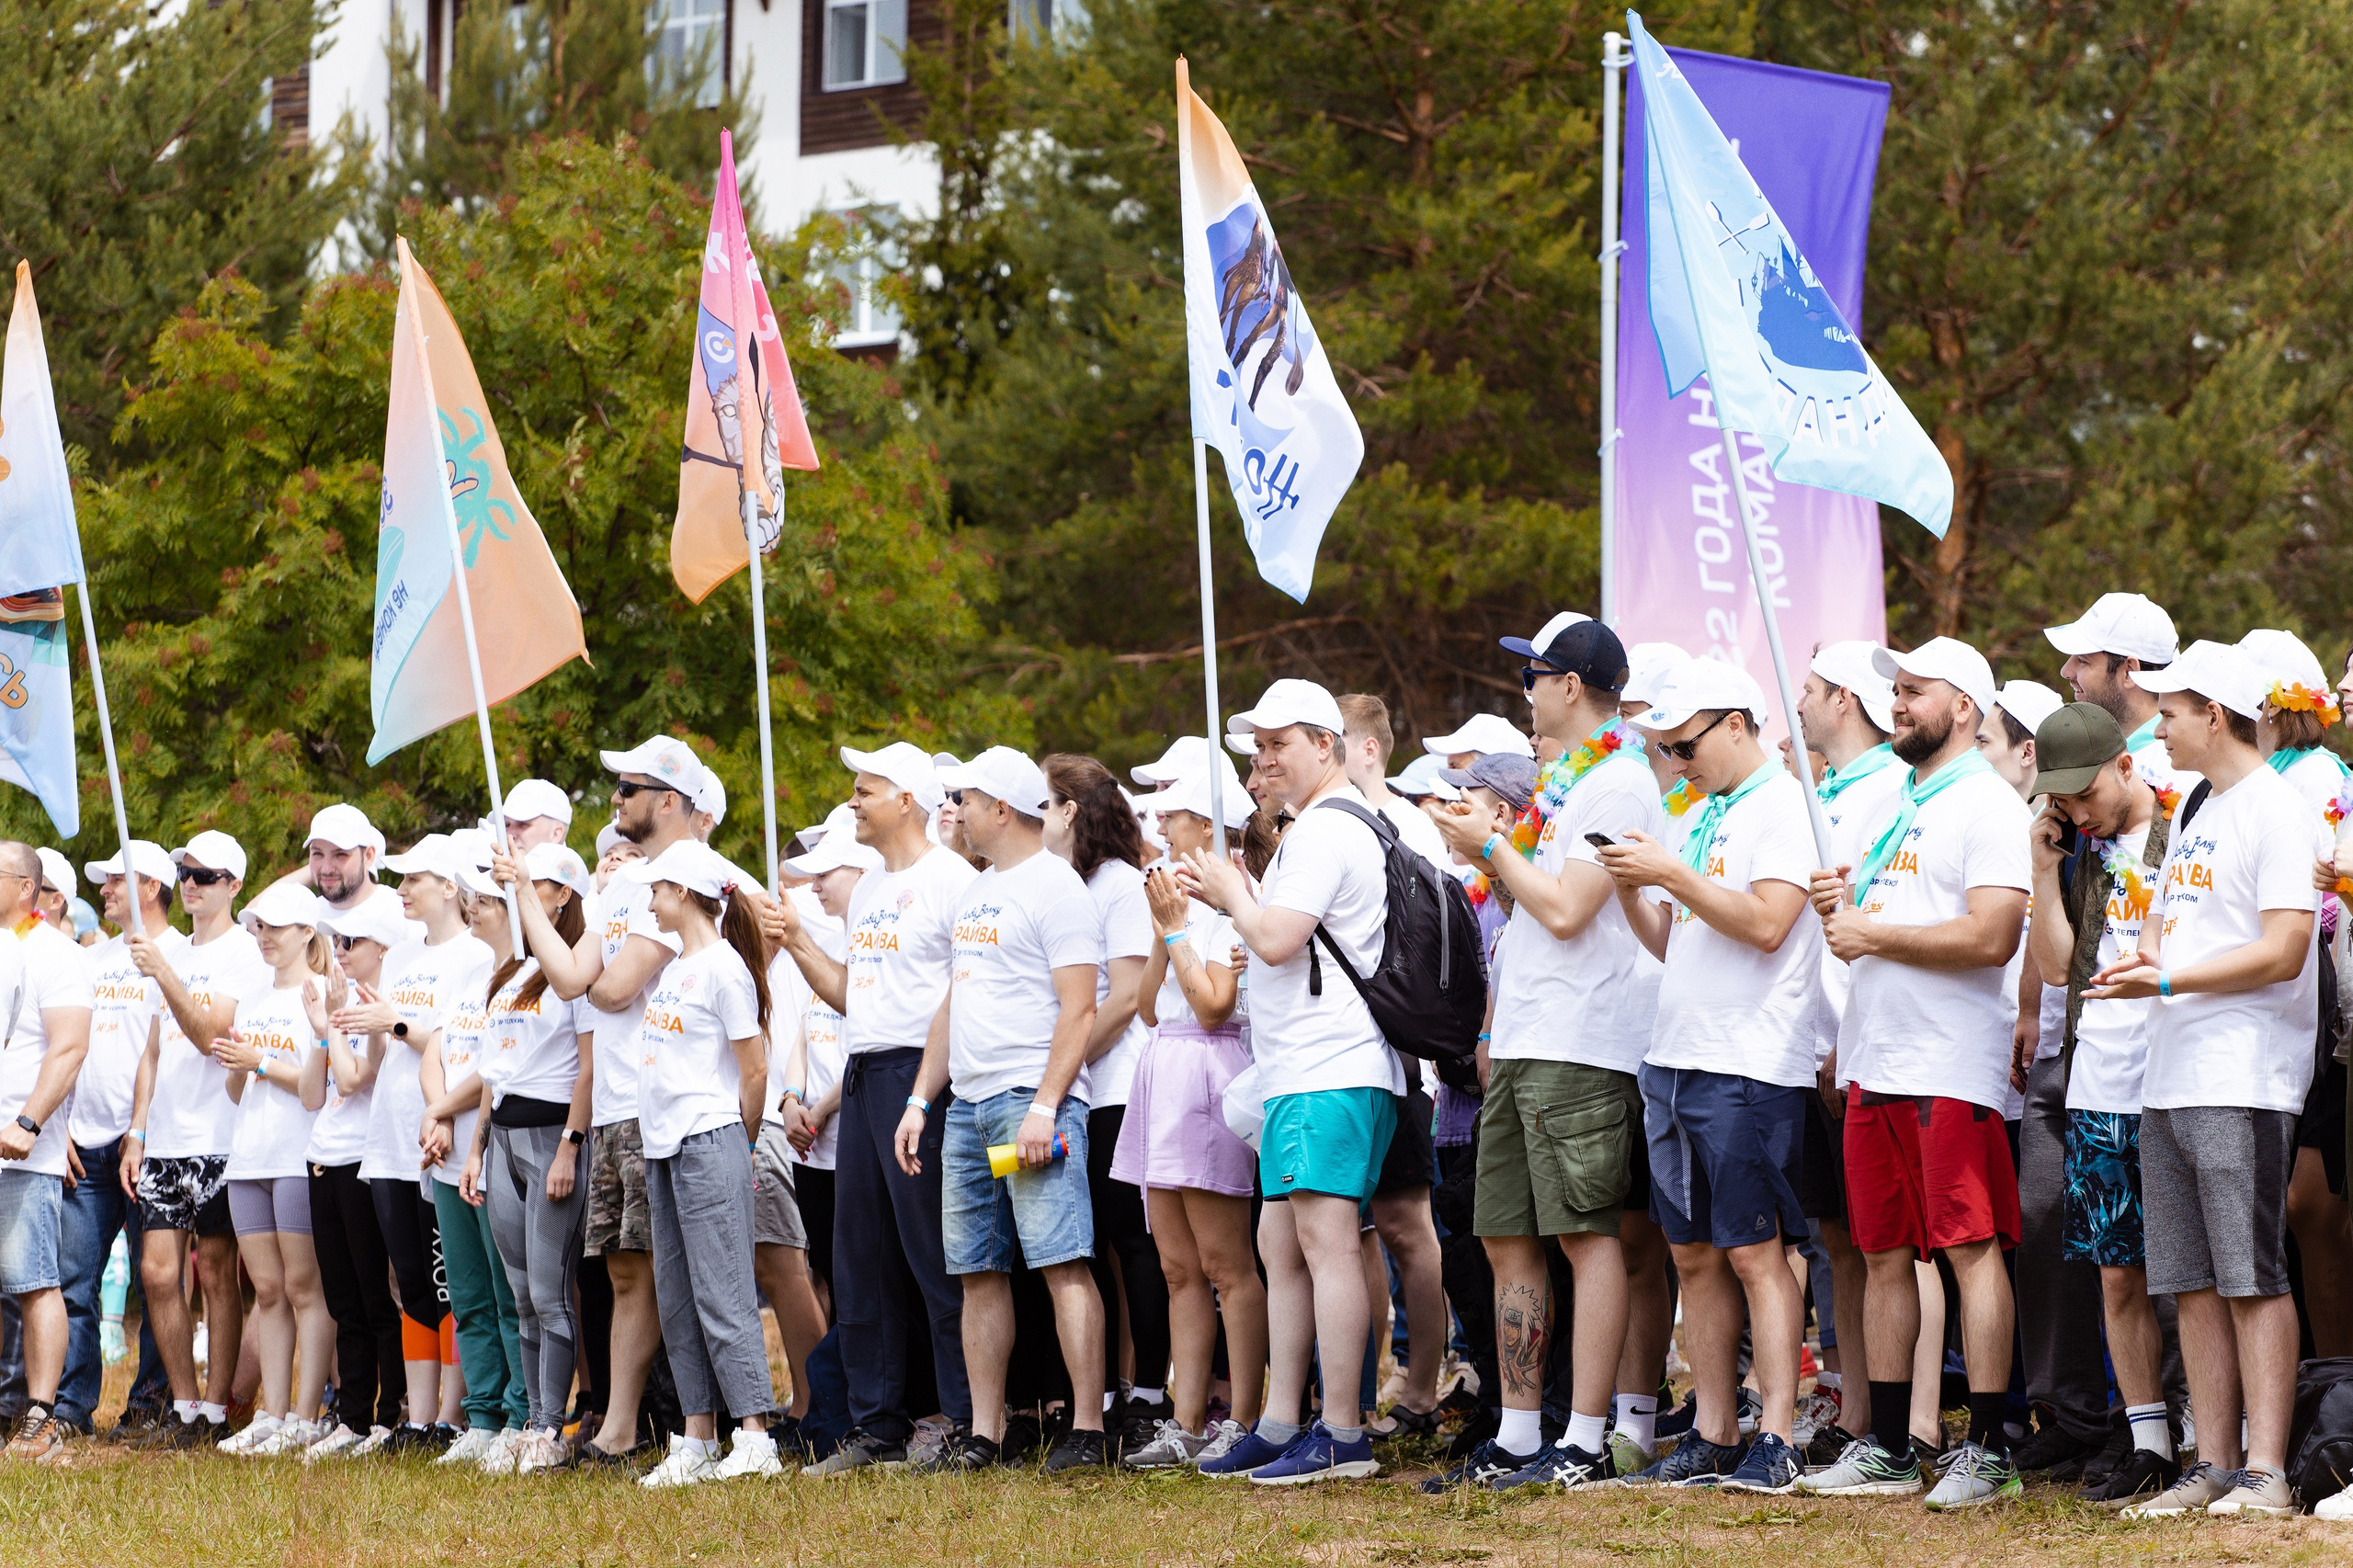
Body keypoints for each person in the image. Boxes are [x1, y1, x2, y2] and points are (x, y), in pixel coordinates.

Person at [1418, 620, 1659, 1490]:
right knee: (1506, 1236)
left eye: (1533, 676)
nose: (1524, 691)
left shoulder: (1622, 782)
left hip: (1584, 1042)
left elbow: (1566, 910)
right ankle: (1522, 1431)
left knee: (1582, 1236)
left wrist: (1485, 848)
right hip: (1527, 1036)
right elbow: (1531, 913)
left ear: (1570, 686)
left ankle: (1583, 1439)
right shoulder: (1566, 782)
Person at [2091, 641, 2327, 1519]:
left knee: (2250, 1277)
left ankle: (2266, 1471)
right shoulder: (2198, 803)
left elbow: (2283, 948)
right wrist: (2144, 958)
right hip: (2171, 1072)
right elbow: (2175, 925)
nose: (2160, 725)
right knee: (2189, 1279)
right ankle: (2214, 1464)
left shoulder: (2277, 808)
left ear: (2214, 716)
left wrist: (2166, 977)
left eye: (2172, 712)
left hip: (2243, 1075)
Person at [1800, 638, 2031, 1510]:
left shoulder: (1987, 805)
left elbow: (1991, 936)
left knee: (1970, 1251)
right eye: (1893, 691)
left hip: (1949, 1066)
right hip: (1879, 1058)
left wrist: (1872, 934)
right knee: (1883, 1251)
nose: (1895, 704)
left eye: (1913, 692)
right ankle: (1890, 1447)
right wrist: (1848, 912)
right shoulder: (1904, 799)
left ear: (1963, 707)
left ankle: (1988, 1448)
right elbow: (1884, 921)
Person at [1601, 658, 1829, 1495]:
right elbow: (1673, 940)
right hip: (1675, 1055)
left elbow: (1770, 925)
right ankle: (1714, 1426)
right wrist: (1633, 886)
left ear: (1737, 722)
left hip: (1749, 1061)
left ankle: (1776, 1433)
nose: (1676, 759)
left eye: (1685, 743)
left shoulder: (1786, 806)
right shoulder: (1705, 811)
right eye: (1664, 746)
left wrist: (1671, 874)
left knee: (1756, 1253)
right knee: (1693, 1255)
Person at [1178, 678, 1403, 1486]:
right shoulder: (1324, 826)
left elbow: (1274, 940)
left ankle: (1342, 1433)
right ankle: (1281, 1422)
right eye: (1258, 746)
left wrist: (1230, 890)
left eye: (1279, 744)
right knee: (1283, 1239)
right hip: (1305, 1069)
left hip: (1326, 1067)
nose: (1263, 759)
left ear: (1325, 744)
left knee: (1325, 1242)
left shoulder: (1323, 832)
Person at [767, 742, 977, 1475]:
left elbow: (961, 995)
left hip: (922, 1079)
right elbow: (852, 992)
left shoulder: (952, 880)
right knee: (859, 1262)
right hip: (861, 1074)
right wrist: (793, 938)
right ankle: (876, 1424)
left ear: (907, 801)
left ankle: (962, 1419)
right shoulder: (874, 889)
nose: (853, 802)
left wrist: (923, 1091)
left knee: (936, 1256)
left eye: (865, 790)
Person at [907, 746, 1108, 1474]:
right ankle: (985, 1433)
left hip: (1032, 1101)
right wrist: (918, 1100)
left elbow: (1081, 1009)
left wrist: (1047, 1107)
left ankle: (1087, 1429)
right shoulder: (976, 890)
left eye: (965, 798)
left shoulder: (1057, 888)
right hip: (967, 1106)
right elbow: (955, 1003)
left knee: (1062, 1262)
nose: (953, 810)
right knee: (976, 1273)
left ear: (1003, 807)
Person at [499, 738, 699, 1466]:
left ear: (668, 800)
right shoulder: (617, 890)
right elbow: (568, 976)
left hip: (661, 1105)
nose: (613, 801)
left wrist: (593, 978)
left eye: (627, 789)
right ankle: (624, 1423)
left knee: (662, 1266)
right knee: (621, 1270)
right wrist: (523, 890)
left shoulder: (683, 882)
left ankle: (682, 1422)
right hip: (616, 1107)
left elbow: (609, 989)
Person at [2021, 701, 2179, 1507]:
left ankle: (2198, 1429)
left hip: (2180, 1074)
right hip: (2100, 1080)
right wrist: (2046, 868)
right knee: (2117, 1271)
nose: (2076, 809)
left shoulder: (2186, 825)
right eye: (2063, 798)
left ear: (2126, 765)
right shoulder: (2076, 849)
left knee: (2189, 1274)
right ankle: (2146, 1434)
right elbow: (2054, 968)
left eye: (2085, 792)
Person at [1114, 769, 1264, 1469]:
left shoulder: (1233, 907)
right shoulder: (1176, 910)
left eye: (1172, 815)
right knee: (1178, 1268)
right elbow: (1148, 1006)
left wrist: (1177, 929)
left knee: (1226, 1264)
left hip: (1207, 1071)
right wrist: (1162, 933)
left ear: (1207, 825)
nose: (1160, 827)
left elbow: (1212, 1007)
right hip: (1162, 1072)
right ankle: (1187, 1421)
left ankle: (1247, 1417)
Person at [624, 840, 782, 1486]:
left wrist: (738, 1145)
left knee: (724, 1293)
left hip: (709, 1141)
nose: (651, 899)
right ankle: (696, 1438)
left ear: (683, 893)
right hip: (665, 1146)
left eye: (657, 888)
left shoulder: (724, 968)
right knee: (680, 1298)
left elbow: (754, 1069)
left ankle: (755, 1437)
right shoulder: (675, 970)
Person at [336, 832, 495, 1454]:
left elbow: (458, 1047)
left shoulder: (476, 956)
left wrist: (396, 1022)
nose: (402, 891)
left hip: (440, 1135)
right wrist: (376, 1026)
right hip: (389, 1134)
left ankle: (456, 1415)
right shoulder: (401, 955)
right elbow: (385, 1053)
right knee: (410, 1282)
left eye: (414, 881)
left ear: (450, 888)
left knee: (451, 1278)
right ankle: (419, 1417)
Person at [1790, 641, 1904, 1458]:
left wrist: (1840, 1038)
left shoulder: (1888, 792)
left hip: (1858, 1043)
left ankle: (1881, 1414)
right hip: (1813, 1044)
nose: (1795, 705)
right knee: (1835, 1235)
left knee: (1874, 1241)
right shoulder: (1822, 789)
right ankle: (1848, 1398)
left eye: (1809, 690)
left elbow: (1872, 921)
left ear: (1844, 701)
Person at [1040, 753, 1168, 1453]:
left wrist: (1060, 1069)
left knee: (1135, 1246)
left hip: (1118, 1088)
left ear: (1070, 811)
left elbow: (1122, 998)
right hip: (1081, 1092)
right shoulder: (1062, 883)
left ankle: (1148, 1392)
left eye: (1043, 800)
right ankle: (1110, 1392)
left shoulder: (1119, 885)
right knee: (1098, 1253)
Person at [122, 829, 267, 1449]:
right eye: (186, 873)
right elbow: (153, 1052)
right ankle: (181, 1404)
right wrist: (138, 1130)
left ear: (233, 886)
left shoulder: (244, 953)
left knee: (215, 1272)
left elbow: (212, 1036)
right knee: (157, 1273)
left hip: (219, 1135)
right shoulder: (172, 949)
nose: (190, 885)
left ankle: (215, 1408)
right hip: (167, 1138)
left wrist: (166, 973)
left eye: (205, 877)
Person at [2234, 629, 2353, 1362]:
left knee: (2314, 1209)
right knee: (2311, 1209)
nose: (2347, 688)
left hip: (2315, 1015)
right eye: (2344, 673)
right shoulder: (2271, 774)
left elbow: (2320, 911)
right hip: (2335, 1030)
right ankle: (2334, 1397)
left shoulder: (2313, 777)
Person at [1334, 694, 1450, 1436]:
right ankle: (1357, 1395)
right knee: (1353, 1232)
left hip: (1400, 1062)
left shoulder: (1410, 824)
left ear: (1367, 749)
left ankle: (1422, 1388)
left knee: (1406, 1225)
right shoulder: (1316, 823)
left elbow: (1434, 941)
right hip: (1330, 1063)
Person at [478, 843, 597, 1475]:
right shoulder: (513, 970)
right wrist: (477, 1147)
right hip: (502, 1135)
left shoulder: (574, 968)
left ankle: (552, 1426)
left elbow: (587, 1070)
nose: (523, 891)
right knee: (520, 1293)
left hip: (552, 1135)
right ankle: (531, 1420)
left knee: (551, 1293)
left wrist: (570, 1149)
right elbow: (493, 1072)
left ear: (564, 894)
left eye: (538, 883)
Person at [56, 841, 178, 1439]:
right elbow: (70, 1046)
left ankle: (150, 1409)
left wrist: (140, 1130)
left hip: (149, 1146)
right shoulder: (92, 959)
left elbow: (161, 1057)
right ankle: (69, 1409)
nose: (102, 889)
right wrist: (62, 1126)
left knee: (160, 1282)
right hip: (82, 1143)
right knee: (73, 1283)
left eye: (114, 880)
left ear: (150, 887)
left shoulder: (178, 955)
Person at [213, 882, 335, 1456]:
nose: (263, 937)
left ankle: (306, 1415)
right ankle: (273, 1412)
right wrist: (240, 1065)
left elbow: (315, 1092)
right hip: (249, 1156)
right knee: (266, 1290)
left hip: (296, 1154)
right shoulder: (256, 996)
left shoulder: (320, 995)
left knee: (304, 1286)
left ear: (306, 932)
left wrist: (259, 1062)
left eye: (275, 928)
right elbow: (238, 1091)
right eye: (258, 926)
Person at [421, 865, 532, 1470]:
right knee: (468, 1296)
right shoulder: (469, 972)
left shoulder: (524, 976)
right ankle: (483, 1416)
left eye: (484, 900)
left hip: (491, 1157)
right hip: (448, 1160)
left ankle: (520, 1414)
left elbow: (494, 1069)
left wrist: (442, 1108)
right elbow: (438, 1049)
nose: (472, 908)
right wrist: (437, 1115)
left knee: (509, 1292)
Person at [303, 893, 411, 1460]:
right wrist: (326, 1027)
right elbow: (317, 1090)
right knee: (342, 1298)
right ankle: (351, 1416)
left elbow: (351, 1080)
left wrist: (333, 1026)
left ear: (385, 949)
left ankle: (387, 1417)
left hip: (366, 1161)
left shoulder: (384, 1007)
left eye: (352, 943)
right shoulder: (348, 1004)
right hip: (324, 1153)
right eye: (337, 941)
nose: (339, 952)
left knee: (377, 1298)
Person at [0, 845, 63, 1460]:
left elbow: (68, 1048)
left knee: (35, 1281)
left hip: (23, 1149)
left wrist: (30, 1121)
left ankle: (42, 1416)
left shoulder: (56, 954)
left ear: (25, 886)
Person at [2044, 593, 2189, 791]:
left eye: (2083, 660)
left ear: (2129, 672)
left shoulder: (2173, 772)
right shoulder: (2106, 751)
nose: (2066, 672)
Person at [498, 779, 575, 856]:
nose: (509, 835)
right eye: (507, 825)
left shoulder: (574, 866)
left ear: (556, 834)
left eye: (523, 824)